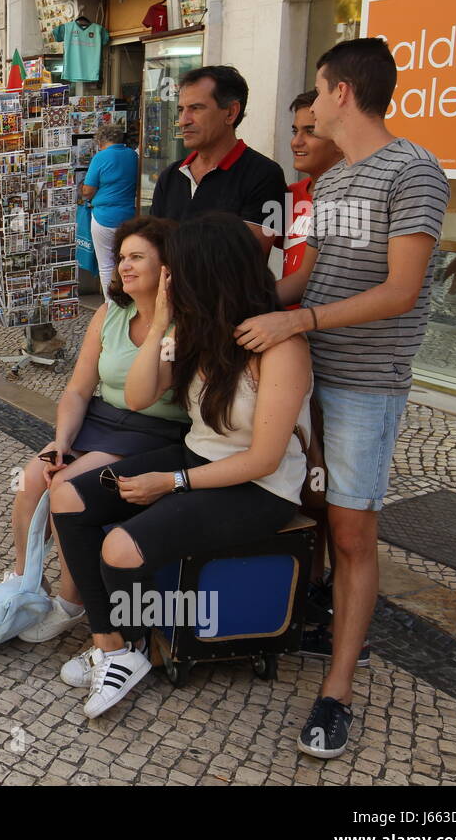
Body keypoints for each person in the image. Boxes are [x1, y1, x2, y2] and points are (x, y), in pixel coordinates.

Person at [233, 37, 449, 760]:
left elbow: (401, 291)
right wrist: (245, 300)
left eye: (318, 93)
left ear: (343, 94)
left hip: (364, 379)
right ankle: (306, 613)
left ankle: (338, 690)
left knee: (355, 531)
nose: (311, 108)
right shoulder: (330, 182)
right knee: (312, 504)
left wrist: (298, 319)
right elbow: (312, 281)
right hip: (307, 367)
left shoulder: (414, 170)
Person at [50, 212, 311, 719]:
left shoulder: (281, 348)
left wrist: (170, 483)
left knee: (120, 548)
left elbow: (264, 458)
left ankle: (136, 644)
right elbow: (140, 392)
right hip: (198, 457)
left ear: (208, 272)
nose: (170, 279)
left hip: (260, 488)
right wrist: (164, 320)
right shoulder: (196, 331)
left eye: (178, 271)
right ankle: (114, 647)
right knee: (68, 493)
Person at [6, 217, 189, 643]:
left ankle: (73, 602)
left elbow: (159, 396)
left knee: (66, 486)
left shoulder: (183, 322)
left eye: (137, 257)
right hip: (99, 421)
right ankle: (25, 580)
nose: (125, 266)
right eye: (122, 256)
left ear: (167, 266)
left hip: (153, 431)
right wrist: (61, 442)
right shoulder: (110, 312)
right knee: (31, 477)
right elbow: (78, 389)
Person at [149, 65, 287, 254]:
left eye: (196, 108)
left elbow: (247, 256)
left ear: (230, 113)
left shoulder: (266, 175)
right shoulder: (170, 176)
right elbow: (152, 247)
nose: (183, 120)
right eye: (181, 110)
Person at [281, 89, 344, 284]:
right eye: (295, 131)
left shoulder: (356, 197)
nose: (296, 142)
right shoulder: (290, 194)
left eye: (310, 131)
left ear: (340, 139)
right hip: (283, 310)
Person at [80, 123, 138, 298]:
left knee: (106, 265)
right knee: (126, 261)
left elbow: (88, 190)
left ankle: (110, 306)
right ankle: (129, 300)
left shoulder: (101, 157)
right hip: (129, 215)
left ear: (100, 140)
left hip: (104, 216)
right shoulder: (132, 155)